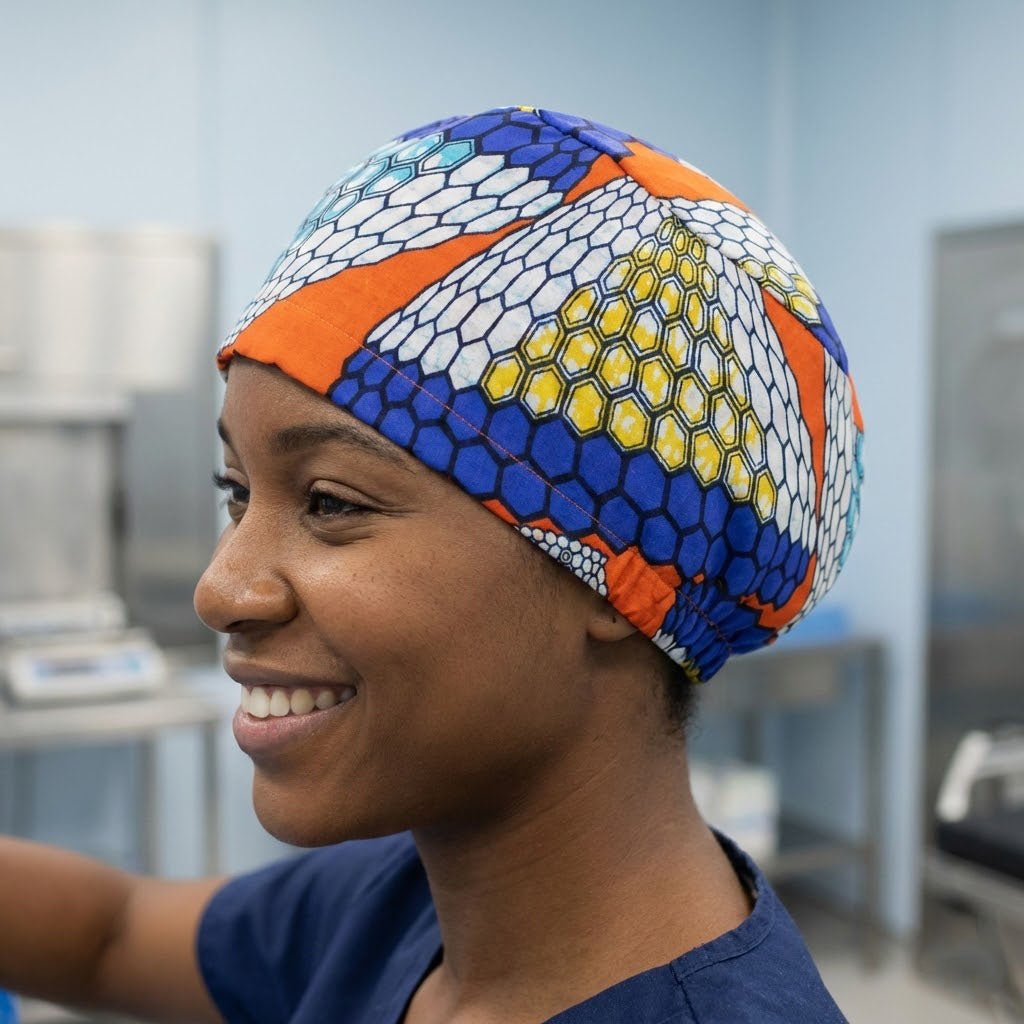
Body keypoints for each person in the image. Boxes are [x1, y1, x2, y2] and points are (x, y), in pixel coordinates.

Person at [0, 106, 863, 1023]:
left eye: (330, 503)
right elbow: (115, 934)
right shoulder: (397, 910)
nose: (221, 588)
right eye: (236, 491)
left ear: (618, 573)